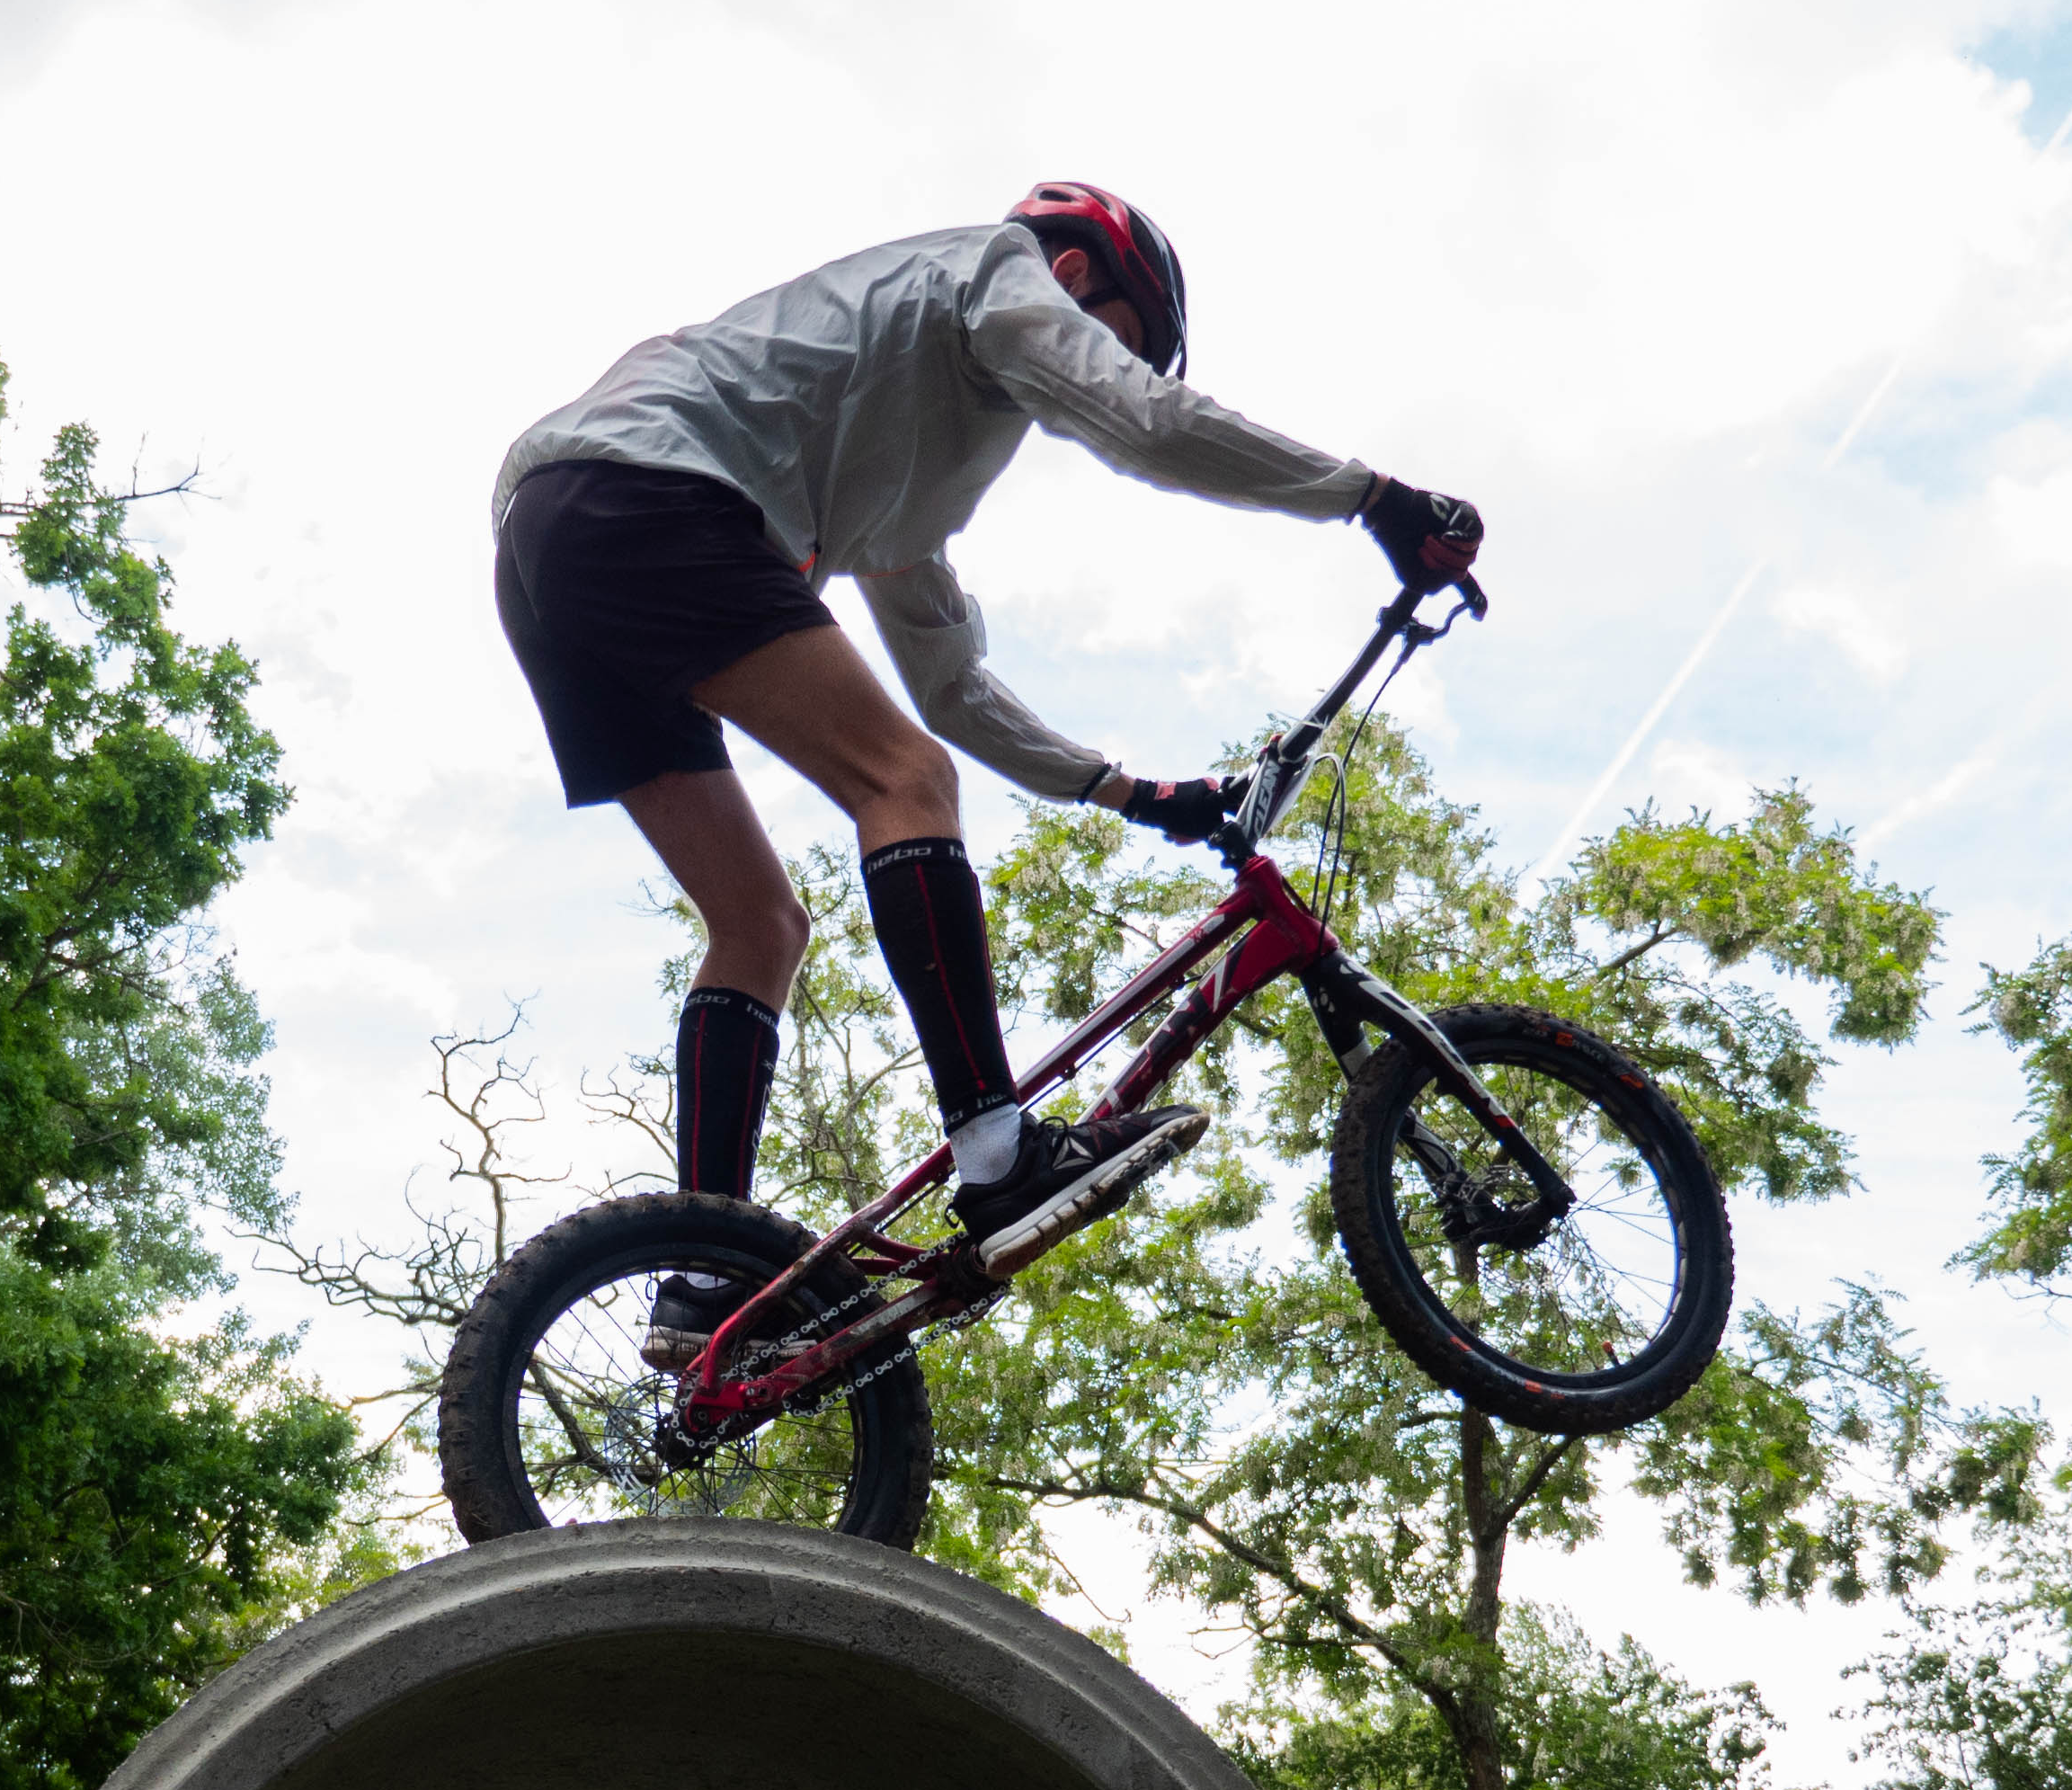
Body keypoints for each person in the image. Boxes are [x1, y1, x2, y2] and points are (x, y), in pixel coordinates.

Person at [491, 182, 1482, 1365]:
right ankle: (999, 1151)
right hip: (647, 493)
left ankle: (706, 1271)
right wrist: (1369, 497)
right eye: (1115, 334)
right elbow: (1147, 422)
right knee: (901, 784)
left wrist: (1130, 791)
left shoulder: (908, 463)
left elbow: (952, 686)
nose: (1097, 360)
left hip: (552, 543)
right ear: (1074, 277)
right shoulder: (991, 271)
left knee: (757, 922)